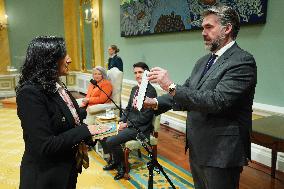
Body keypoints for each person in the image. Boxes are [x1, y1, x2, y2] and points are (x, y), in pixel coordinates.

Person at [144, 5, 257, 189]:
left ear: (227, 28)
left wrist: (170, 86)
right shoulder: (203, 61)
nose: (203, 32)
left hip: (222, 152)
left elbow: (216, 101)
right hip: (198, 147)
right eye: (202, 27)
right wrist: (155, 102)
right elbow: (188, 92)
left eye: (209, 27)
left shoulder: (242, 61)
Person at [16, 36, 102, 189]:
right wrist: (85, 130)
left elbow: (69, 122)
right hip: (45, 177)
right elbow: (45, 145)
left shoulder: (56, 85)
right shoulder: (30, 93)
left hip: (66, 170)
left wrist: (101, 131)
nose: (69, 59)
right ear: (48, 60)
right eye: (64, 55)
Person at [102, 62, 157, 180]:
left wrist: (127, 124)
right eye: (135, 73)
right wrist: (122, 121)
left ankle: (123, 166)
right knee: (104, 135)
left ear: (147, 73)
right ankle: (116, 161)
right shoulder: (134, 89)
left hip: (140, 128)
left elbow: (145, 117)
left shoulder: (151, 91)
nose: (137, 75)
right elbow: (127, 109)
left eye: (140, 72)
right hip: (129, 125)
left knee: (111, 141)